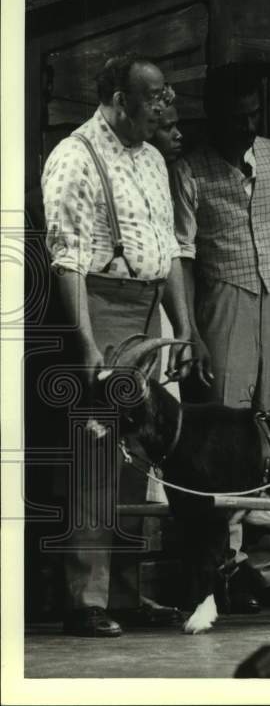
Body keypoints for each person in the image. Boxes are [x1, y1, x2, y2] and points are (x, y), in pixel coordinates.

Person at [41, 53, 193, 637]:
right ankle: (87, 598)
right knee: (96, 451)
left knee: (141, 451)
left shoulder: (152, 157)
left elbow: (170, 250)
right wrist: (86, 343)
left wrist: (183, 328)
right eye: (153, 96)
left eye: (166, 93)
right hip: (100, 308)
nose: (165, 105)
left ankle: (127, 592)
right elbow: (69, 262)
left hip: (148, 310)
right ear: (118, 99)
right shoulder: (75, 157)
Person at [170, 64, 270, 609]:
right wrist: (191, 330)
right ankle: (225, 563)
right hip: (223, 299)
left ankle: (269, 563)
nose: (248, 126)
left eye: (255, 114)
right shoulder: (190, 170)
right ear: (213, 116)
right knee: (226, 432)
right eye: (237, 117)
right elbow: (183, 254)